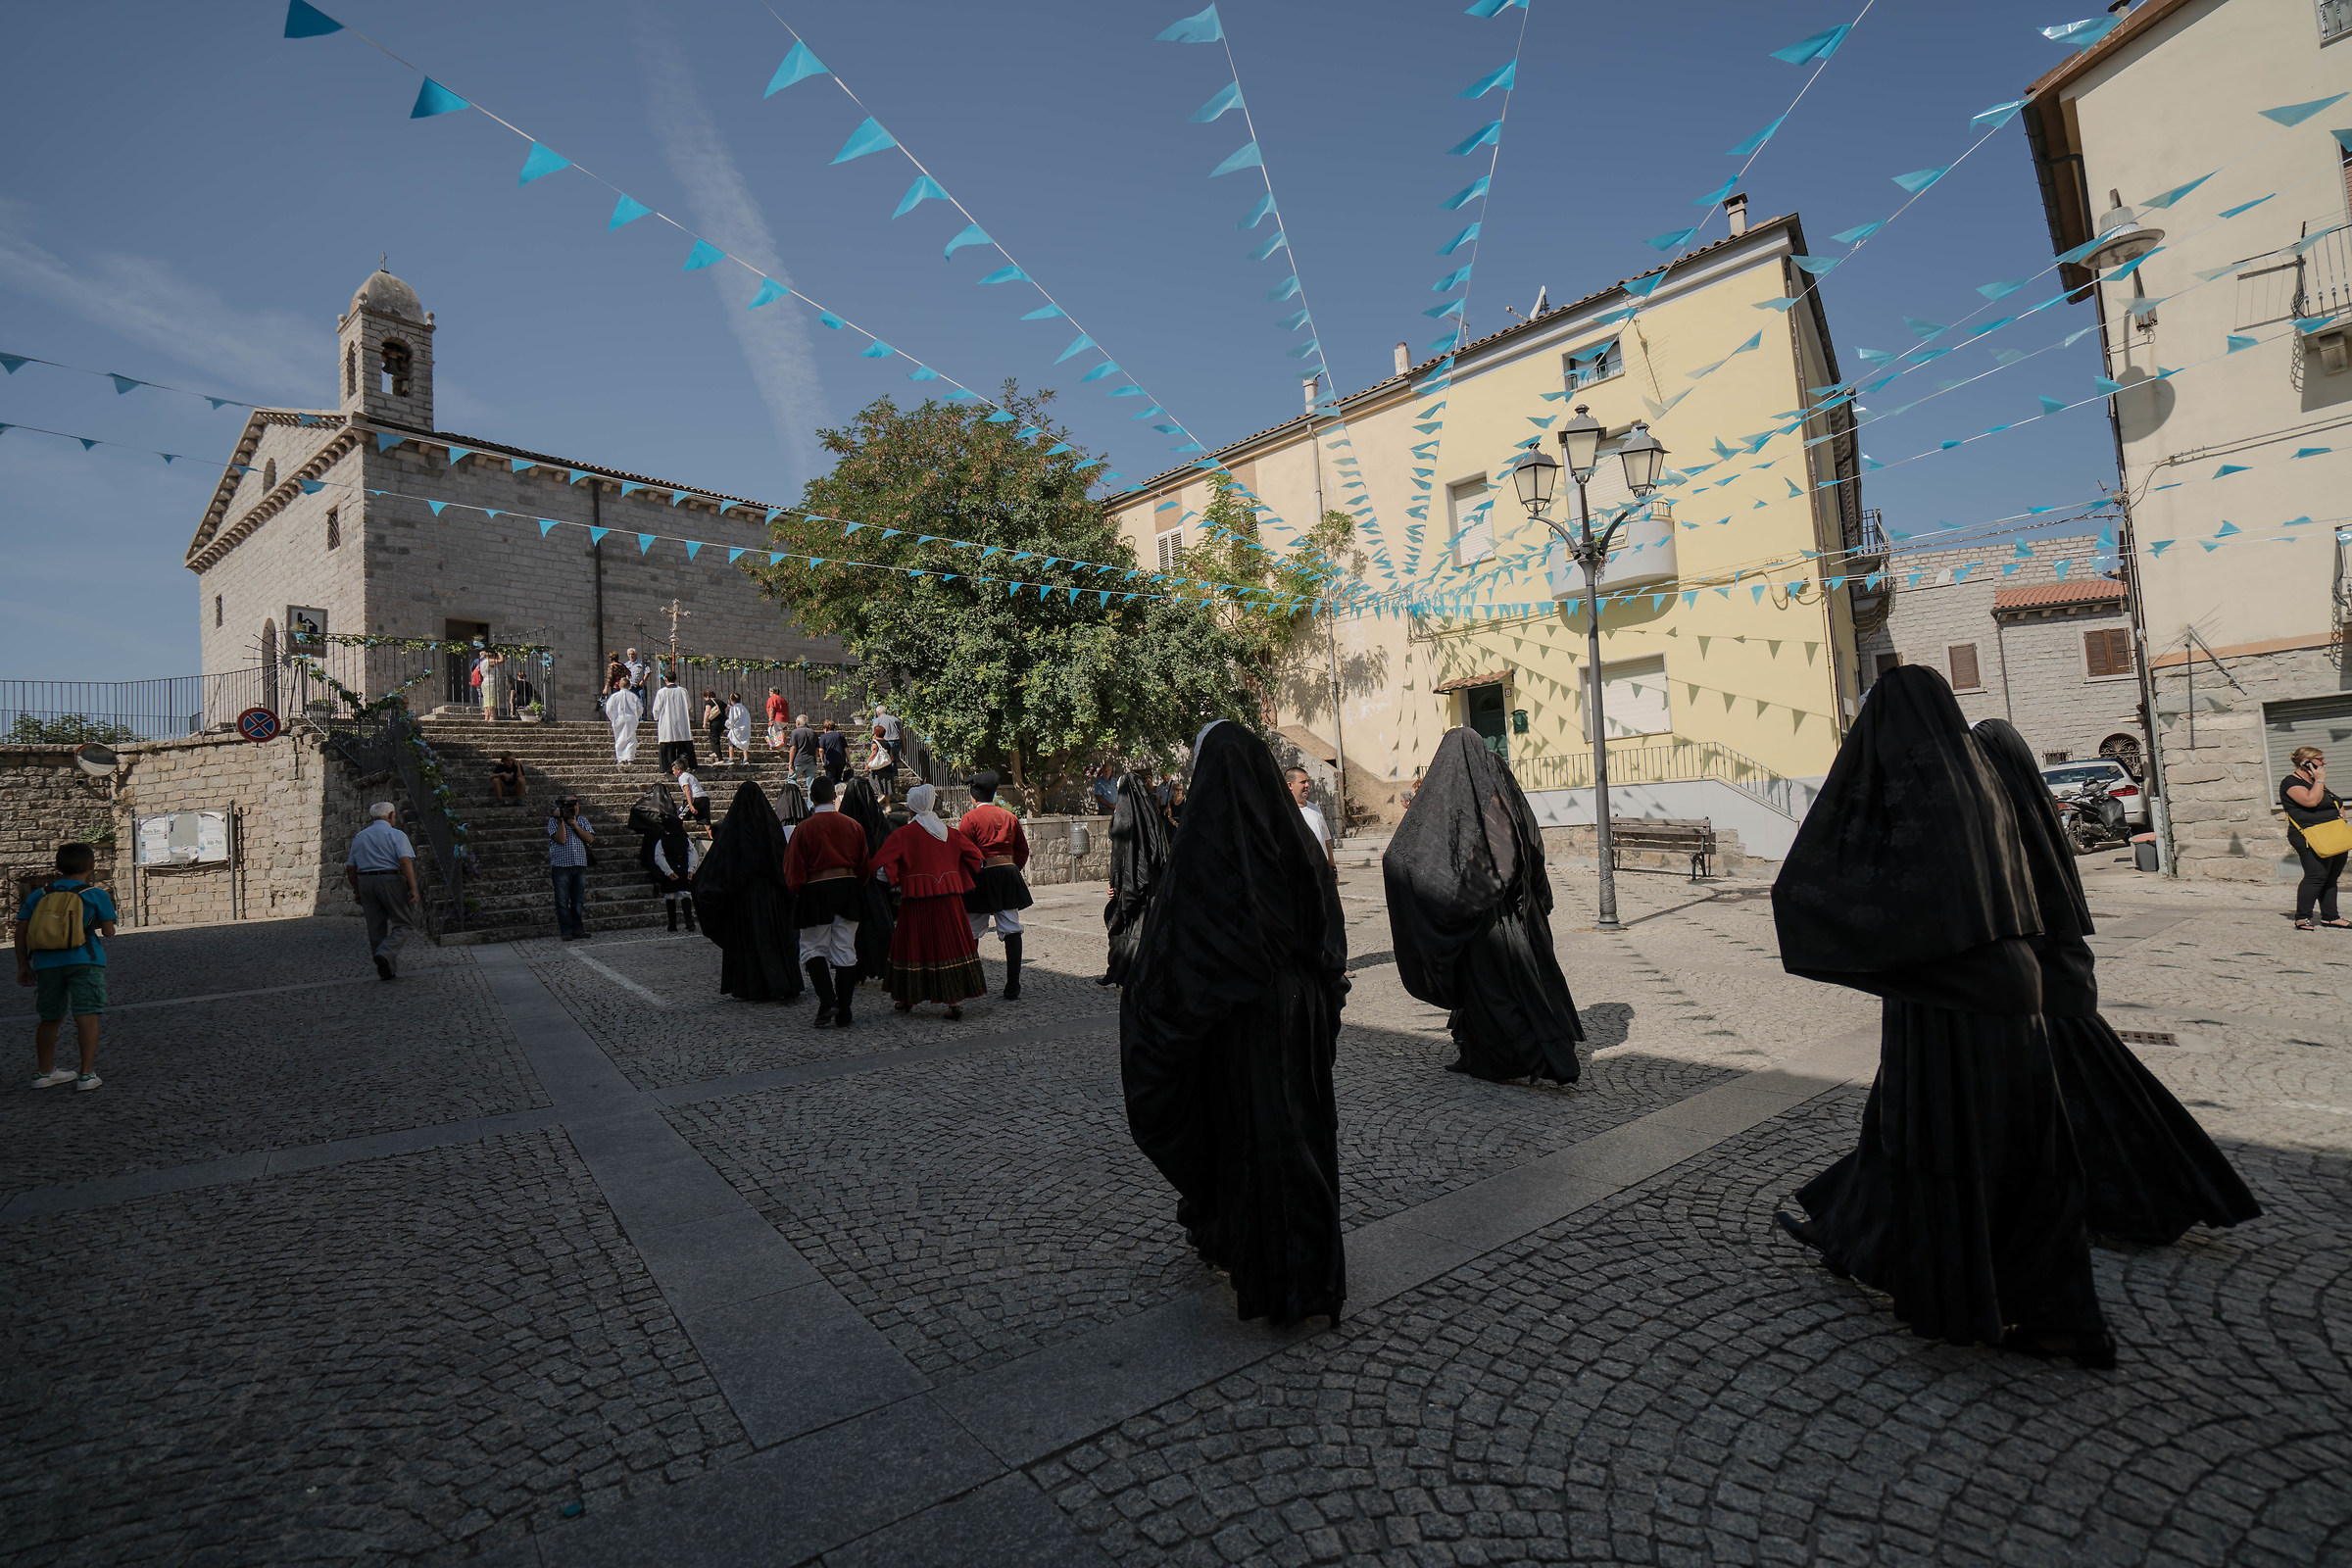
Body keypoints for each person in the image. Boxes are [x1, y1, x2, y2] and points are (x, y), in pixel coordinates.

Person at [1771, 666, 2113, 1369]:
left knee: (1945, 1144)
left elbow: (1825, 881)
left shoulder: (1913, 785)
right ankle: (1854, 1239)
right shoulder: (1981, 776)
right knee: (1978, 1145)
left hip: (1947, 993)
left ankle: (2006, 1304)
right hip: (2006, 985)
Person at [1975, 719, 2261, 1245]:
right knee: (2096, 1102)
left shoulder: (2003, 819)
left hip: (2040, 985)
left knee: (2098, 1105)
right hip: (2054, 979)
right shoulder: (2034, 812)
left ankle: (2146, 1203)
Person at [1120, 721, 1350, 1328]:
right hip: (1295, 1010)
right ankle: (1306, 1270)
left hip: (1242, 1021)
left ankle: (1281, 1277)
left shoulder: (1206, 852)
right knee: (1296, 1133)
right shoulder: (1292, 839)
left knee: (1255, 1136)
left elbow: (1180, 956)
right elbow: (1326, 927)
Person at [1384, 727, 1582, 1085]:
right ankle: (1475, 1055)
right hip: (1503, 912)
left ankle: (1535, 1059)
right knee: (1487, 991)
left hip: (1487, 919)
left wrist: (1462, 897)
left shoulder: (1464, 794)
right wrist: (1533, 894)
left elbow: (1412, 853)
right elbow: (1529, 843)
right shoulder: (1496, 790)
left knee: (1499, 992)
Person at [873, 783, 989, 1018]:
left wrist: (897, 880)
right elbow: (977, 858)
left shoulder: (903, 834)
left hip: (916, 899)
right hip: (949, 900)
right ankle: (954, 1001)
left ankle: (907, 998)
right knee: (950, 945)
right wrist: (955, 875)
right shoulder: (950, 832)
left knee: (913, 944)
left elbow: (880, 867)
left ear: (912, 808)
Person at [18, 842, 120, 1092]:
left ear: (57, 866)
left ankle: (44, 1072)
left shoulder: (38, 895)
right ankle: (86, 1074)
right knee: (86, 1014)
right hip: (85, 959)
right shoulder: (95, 894)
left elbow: (21, 931)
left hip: (46, 963)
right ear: (91, 866)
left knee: (49, 1018)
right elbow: (108, 932)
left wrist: (23, 965)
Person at [692, 780, 804, 1002]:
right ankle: (782, 982)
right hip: (772, 894)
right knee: (774, 939)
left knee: (752, 940)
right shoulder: (770, 827)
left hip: (745, 897)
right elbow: (780, 860)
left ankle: (754, 986)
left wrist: (727, 887)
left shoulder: (734, 830)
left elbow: (721, 863)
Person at [782, 776, 871, 1027]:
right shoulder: (853, 826)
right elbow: (864, 864)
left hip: (815, 889)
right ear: (834, 797)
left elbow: (793, 869)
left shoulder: (803, 829)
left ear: (811, 798)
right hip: (849, 886)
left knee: (812, 947)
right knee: (845, 948)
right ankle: (844, 1010)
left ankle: (828, 1000)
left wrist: (797, 890)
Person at [958, 771, 1034, 1001]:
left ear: (973, 796)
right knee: (1011, 927)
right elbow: (1022, 850)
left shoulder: (969, 819)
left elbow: (963, 852)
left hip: (981, 875)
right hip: (1008, 873)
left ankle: (969, 983)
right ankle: (1013, 985)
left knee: (971, 929)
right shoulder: (1009, 817)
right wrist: (1012, 870)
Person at [1099, 768, 1172, 988]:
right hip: (1152, 886)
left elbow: (1121, 856)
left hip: (1133, 884)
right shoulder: (1150, 815)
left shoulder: (1124, 817)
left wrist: (1116, 884)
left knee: (1128, 930)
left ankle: (1125, 973)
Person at [344, 802, 419, 980]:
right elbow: (404, 861)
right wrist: (413, 888)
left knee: (375, 926)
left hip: (366, 881)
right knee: (404, 923)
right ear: (392, 815)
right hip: (390, 879)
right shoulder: (396, 834)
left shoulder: (360, 837)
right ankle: (385, 953)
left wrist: (357, 890)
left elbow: (350, 867)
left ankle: (386, 968)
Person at [2281, 745, 2348, 931]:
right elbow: (2311, 801)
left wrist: (2342, 820)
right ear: (2306, 762)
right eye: (2320, 759)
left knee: (2331, 877)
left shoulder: (2316, 782)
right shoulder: (2290, 782)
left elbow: (2336, 802)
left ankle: (2330, 917)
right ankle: (2302, 917)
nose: (2324, 762)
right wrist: (2319, 780)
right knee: (2316, 875)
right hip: (2308, 834)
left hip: (2333, 833)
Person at [840, 776, 900, 985]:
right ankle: (885, 967)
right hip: (874, 881)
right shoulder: (877, 820)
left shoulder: (843, 822)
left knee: (849, 929)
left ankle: (854, 970)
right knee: (879, 926)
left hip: (849, 881)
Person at [633, 785, 701, 934]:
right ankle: (684, 923)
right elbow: (691, 852)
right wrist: (690, 869)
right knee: (680, 893)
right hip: (677, 862)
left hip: (670, 859)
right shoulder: (670, 818)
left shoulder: (648, 809)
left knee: (676, 893)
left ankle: (677, 923)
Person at [547, 796, 595, 941]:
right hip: (561, 866)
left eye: (576, 805)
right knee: (562, 900)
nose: (574, 808)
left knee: (578, 900)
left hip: (579, 864)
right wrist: (561, 820)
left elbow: (590, 839)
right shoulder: (553, 821)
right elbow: (561, 840)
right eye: (570, 806)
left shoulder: (582, 821)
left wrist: (576, 825)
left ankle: (578, 929)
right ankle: (566, 930)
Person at [1284, 765, 1337, 868]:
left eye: (1308, 781)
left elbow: (1326, 842)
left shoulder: (1315, 809)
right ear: (1290, 785)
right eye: (1303, 782)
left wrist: (1333, 869)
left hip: (1322, 871)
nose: (1307, 785)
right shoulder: (1284, 812)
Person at [650, 672, 695, 771]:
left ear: (665, 680)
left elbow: (656, 709)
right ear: (676, 679)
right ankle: (686, 764)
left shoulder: (661, 692)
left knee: (668, 742)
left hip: (667, 722)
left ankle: (668, 767)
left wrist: (656, 718)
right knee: (682, 741)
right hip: (681, 722)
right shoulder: (683, 691)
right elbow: (689, 706)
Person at [605, 676, 644, 765]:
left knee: (619, 738)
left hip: (618, 718)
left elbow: (608, 709)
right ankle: (630, 758)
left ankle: (621, 759)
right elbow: (640, 709)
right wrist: (636, 717)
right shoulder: (633, 696)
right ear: (629, 685)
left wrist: (613, 718)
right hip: (631, 719)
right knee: (631, 737)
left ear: (619, 685)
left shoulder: (614, 696)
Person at [671, 757, 710, 828]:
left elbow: (687, 790)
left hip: (695, 798)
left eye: (674, 771)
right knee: (706, 822)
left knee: (678, 817)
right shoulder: (689, 775)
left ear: (678, 770)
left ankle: (677, 836)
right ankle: (713, 837)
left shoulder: (682, 777)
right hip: (704, 798)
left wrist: (691, 805)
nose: (673, 773)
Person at [872, 700, 905, 774]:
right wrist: (904, 747)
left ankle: (888, 778)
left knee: (885, 761)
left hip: (885, 743)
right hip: (897, 742)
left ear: (878, 713)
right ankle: (894, 777)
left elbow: (874, 735)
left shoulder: (877, 720)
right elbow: (902, 733)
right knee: (894, 760)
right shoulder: (895, 719)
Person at [790, 714, 819, 789]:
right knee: (811, 785)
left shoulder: (795, 732)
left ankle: (796, 797)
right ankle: (810, 800)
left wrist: (790, 763)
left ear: (798, 722)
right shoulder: (813, 733)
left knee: (791, 779)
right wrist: (815, 760)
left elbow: (793, 748)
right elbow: (817, 749)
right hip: (811, 761)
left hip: (799, 760)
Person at [478, 645, 507, 720]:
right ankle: (492, 717)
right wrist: (499, 653)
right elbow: (502, 660)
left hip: (485, 681)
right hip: (490, 682)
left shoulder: (482, 662)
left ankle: (486, 716)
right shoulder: (489, 661)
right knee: (492, 699)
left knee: (486, 700)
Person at [817, 719, 849, 785]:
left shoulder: (823, 737)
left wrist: (822, 760)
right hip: (840, 760)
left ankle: (831, 793)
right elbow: (846, 748)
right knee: (838, 779)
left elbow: (821, 750)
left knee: (830, 780)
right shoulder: (840, 735)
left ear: (825, 728)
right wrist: (848, 759)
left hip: (830, 761)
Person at [725, 693, 754, 765]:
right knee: (744, 743)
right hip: (744, 728)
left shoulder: (733, 708)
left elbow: (732, 719)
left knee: (731, 743)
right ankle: (745, 759)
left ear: (732, 700)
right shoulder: (744, 708)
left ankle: (731, 758)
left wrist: (728, 725)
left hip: (736, 729)